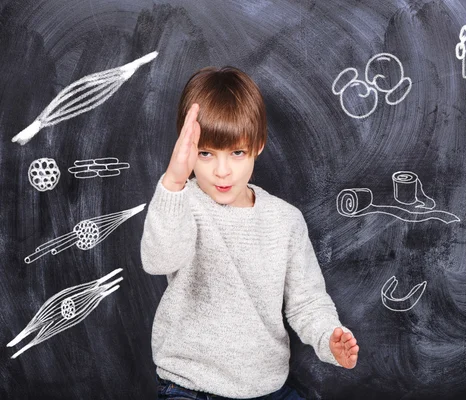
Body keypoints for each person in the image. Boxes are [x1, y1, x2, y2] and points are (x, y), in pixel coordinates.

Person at [140, 66, 359, 400]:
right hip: (190, 387)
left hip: (267, 389)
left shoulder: (286, 221)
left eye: (237, 153)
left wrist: (329, 337)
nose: (222, 170)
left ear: (258, 145)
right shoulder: (182, 202)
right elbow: (158, 260)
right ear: (188, 151)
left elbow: (307, 302)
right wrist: (173, 181)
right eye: (206, 154)